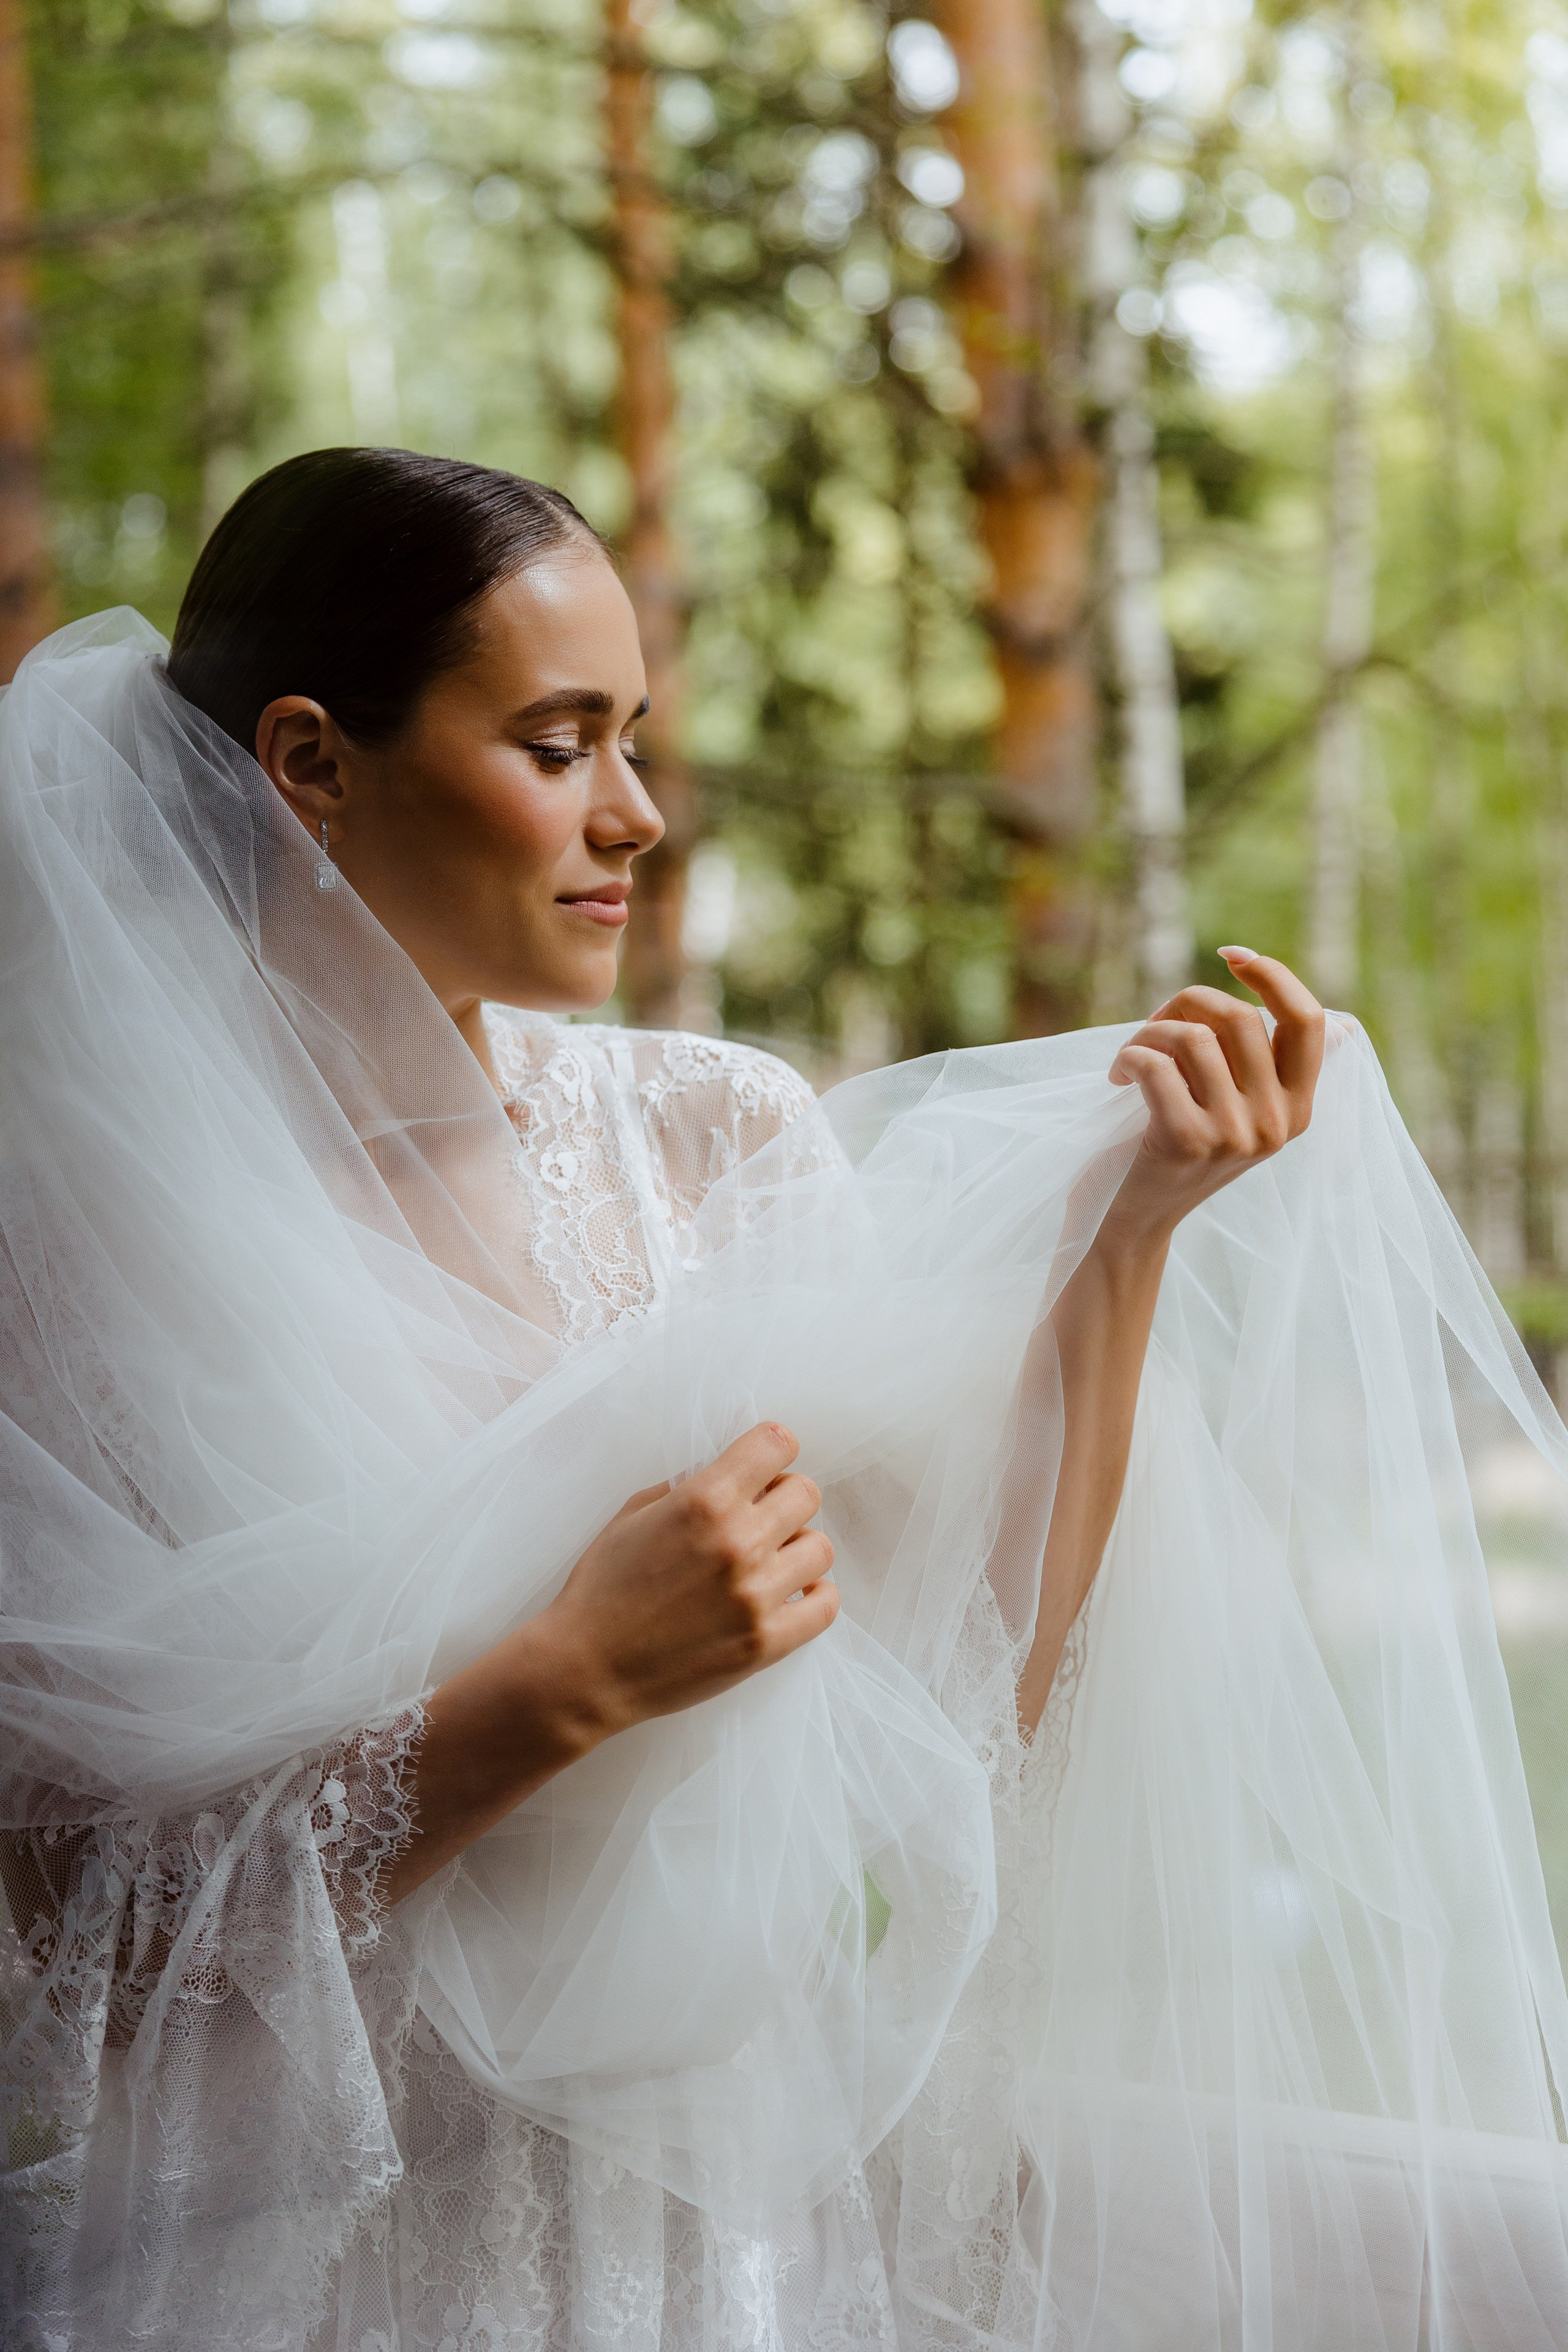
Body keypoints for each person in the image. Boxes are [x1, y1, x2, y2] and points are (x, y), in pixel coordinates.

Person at [2, 449, 1566, 2352]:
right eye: (561, 745)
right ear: (312, 760)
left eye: (634, 740)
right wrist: (562, 1684)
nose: (638, 814)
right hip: (306, 2276)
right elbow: (81, 1939)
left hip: (725, 2254)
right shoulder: (72, 1252)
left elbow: (969, 1693)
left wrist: (1130, 1243)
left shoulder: (714, 1136)